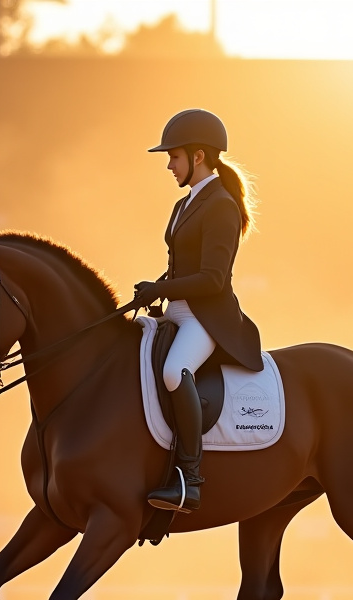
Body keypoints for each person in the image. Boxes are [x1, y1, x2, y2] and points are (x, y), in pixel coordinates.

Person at [132, 109, 261, 513]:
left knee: (174, 371)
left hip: (206, 319)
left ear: (198, 156)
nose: (169, 165)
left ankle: (189, 477)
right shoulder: (183, 204)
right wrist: (153, 291)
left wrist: (161, 289)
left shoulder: (221, 205)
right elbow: (181, 266)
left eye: (174, 157)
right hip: (176, 310)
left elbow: (212, 279)